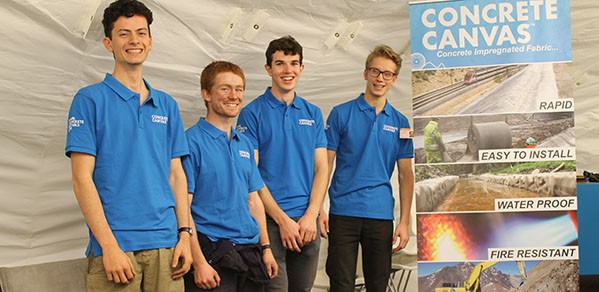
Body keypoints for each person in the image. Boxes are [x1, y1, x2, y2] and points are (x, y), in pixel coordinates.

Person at [65, 0, 192, 290]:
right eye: (124, 34)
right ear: (108, 43)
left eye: (141, 32)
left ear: (150, 40)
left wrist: (185, 234)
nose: (134, 40)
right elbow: (81, 178)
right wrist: (108, 246)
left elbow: (176, 174)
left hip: (166, 245)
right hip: (116, 247)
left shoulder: (167, 105)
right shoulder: (89, 100)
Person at [236, 35, 328, 292]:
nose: (288, 70)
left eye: (293, 63)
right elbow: (250, 174)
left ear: (301, 67)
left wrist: (312, 214)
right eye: (280, 63)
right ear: (268, 68)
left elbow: (322, 168)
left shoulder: (313, 113)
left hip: (308, 223)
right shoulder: (252, 113)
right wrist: (282, 220)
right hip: (270, 224)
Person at [323, 45, 415, 292]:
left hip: (381, 214)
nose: (380, 78)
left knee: (378, 285)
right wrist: (319, 208)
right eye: (375, 71)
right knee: (341, 285)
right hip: (343, 212)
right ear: (365, 73)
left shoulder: (400, 123)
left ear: (394, 79)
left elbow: (406, 175)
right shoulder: (340, 114)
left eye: (387, 74)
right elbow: (326, 164)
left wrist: (404, 222)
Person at [181, 61, 278, 291]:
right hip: (213, 256)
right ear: (206, 94)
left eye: (239, 89)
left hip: (249, 253)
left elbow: (254, 200)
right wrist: (199, 262)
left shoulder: (244, 143)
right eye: (225, 88)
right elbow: (182, 208)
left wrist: (266, 248)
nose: (233, 95)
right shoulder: (190, 142)